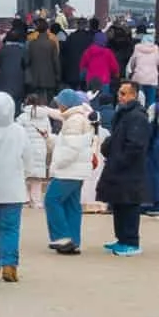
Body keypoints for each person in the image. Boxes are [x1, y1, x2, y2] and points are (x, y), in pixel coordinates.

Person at [95, 78, 152, 256]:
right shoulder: (122, 114)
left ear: (134, 95)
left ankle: (131, 242)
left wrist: (120, 160)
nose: (120, 97)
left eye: (124, 93)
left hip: (130, 170)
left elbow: (135, 145)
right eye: (119, 93)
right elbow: (116, 138)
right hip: (117, 168)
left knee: (129, 206)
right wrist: (108, 148)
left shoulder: (137, 116)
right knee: (118, 204)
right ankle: (121, 239)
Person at [0, 89, 33, 283]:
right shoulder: (19, 130)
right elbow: (28, 159)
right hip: (13, 189)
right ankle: (10, 266)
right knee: (11, 229)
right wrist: (24, 175)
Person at [44, 104, 97, 253]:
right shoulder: (76, 118)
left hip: (69, 170)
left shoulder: (74, 120)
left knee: (51, 199)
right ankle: (74, 241)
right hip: (77, 170)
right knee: (71, 205)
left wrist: (58, 164)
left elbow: (72, 148)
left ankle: (62, 237)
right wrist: (48, 138)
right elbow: (67, 143)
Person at [25, 22, 61, 100]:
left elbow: (27, 61)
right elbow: (56, 61)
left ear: (37, 30)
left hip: (35, 77)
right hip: (49, 76)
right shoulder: (52, 43)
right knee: (49, 100)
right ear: (47, 29)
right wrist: (58, 75)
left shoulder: (32, 44)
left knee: (35, 101)